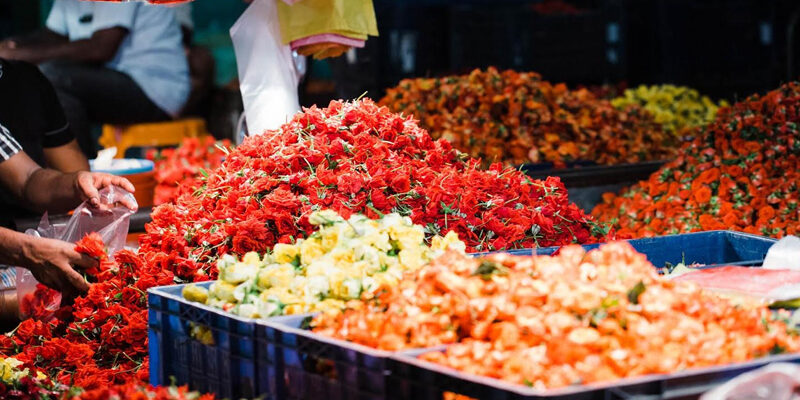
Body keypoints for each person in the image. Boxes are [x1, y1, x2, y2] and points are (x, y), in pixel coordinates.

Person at [0, 0, 190, 158]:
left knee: (54, 77)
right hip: (110, 81)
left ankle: (81, 174)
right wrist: (11, 46)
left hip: (154, 90)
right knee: (27, 76)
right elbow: (52, 35)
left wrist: (18, 55)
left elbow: (101, 48)